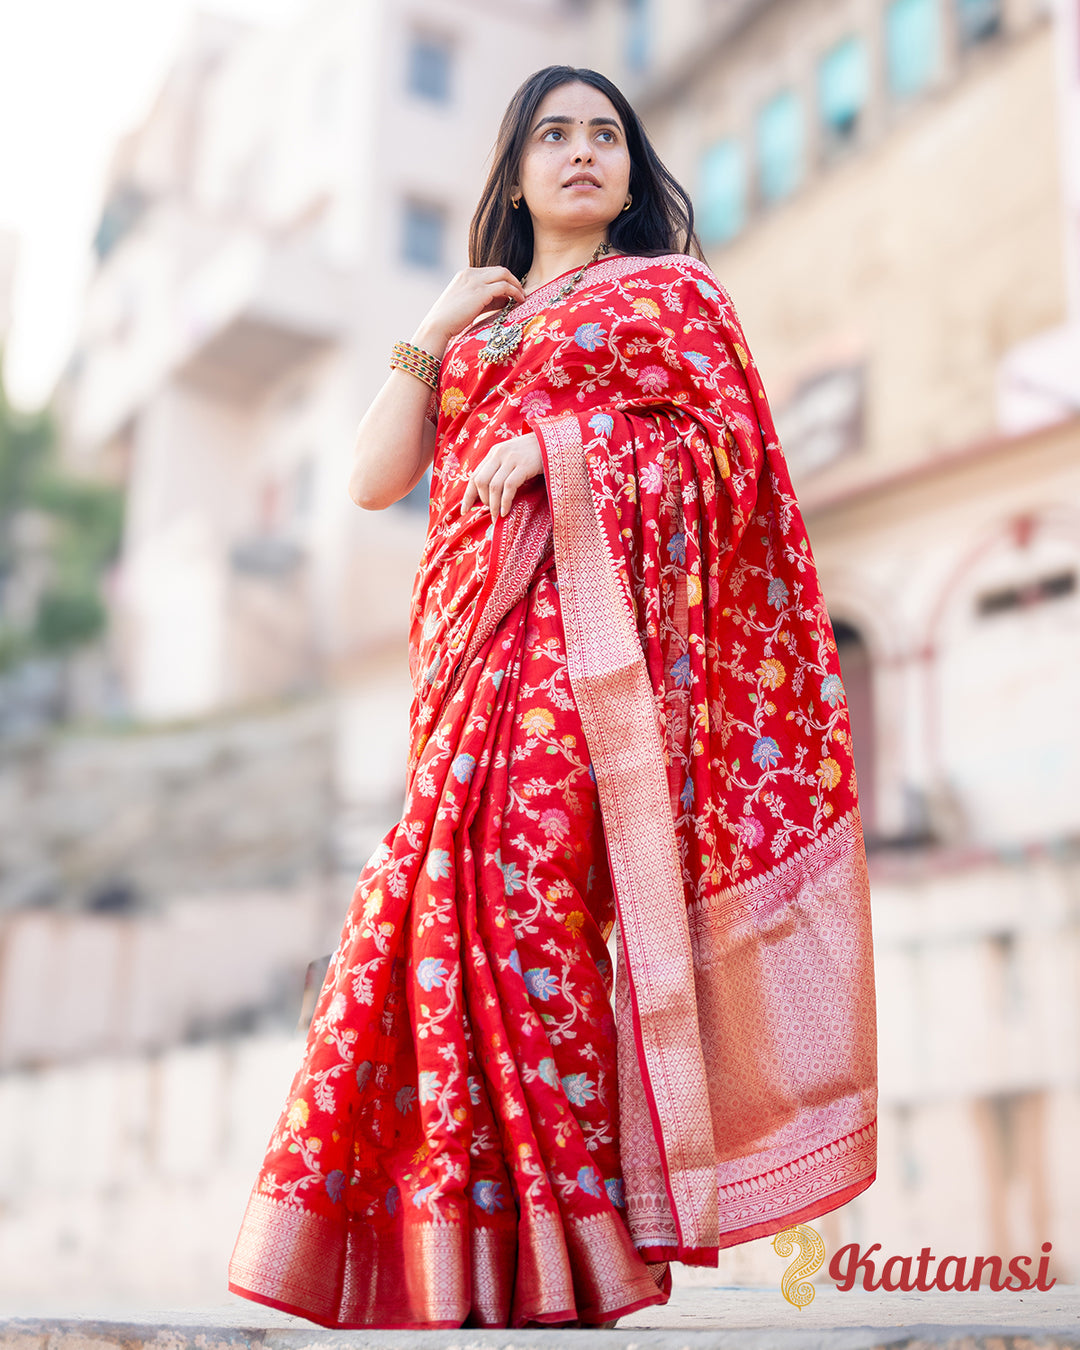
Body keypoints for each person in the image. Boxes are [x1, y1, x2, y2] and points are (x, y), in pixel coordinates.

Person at [226, 65, 877, 1331]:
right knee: (426, 928)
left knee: (529, 915)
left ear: (633, 169)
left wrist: (563, 455)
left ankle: (571, 1259)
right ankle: (475, 1264)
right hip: (466, 669)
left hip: (587, 670)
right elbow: (371, 479)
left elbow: (731, 457)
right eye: (552, 136)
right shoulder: (477, 323)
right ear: (515, 172)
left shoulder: (674, 296)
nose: (583, 153)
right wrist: (440, 312)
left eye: (606, 136)